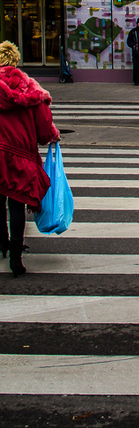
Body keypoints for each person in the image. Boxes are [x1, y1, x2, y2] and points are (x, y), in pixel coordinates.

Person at [0, 40, 60, 277]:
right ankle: (16, 256)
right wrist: (53, 135)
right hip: (20, 156)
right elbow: (44, 129)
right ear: (16, 61)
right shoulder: (30, 90)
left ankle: (2, 242)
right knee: (16, 204)